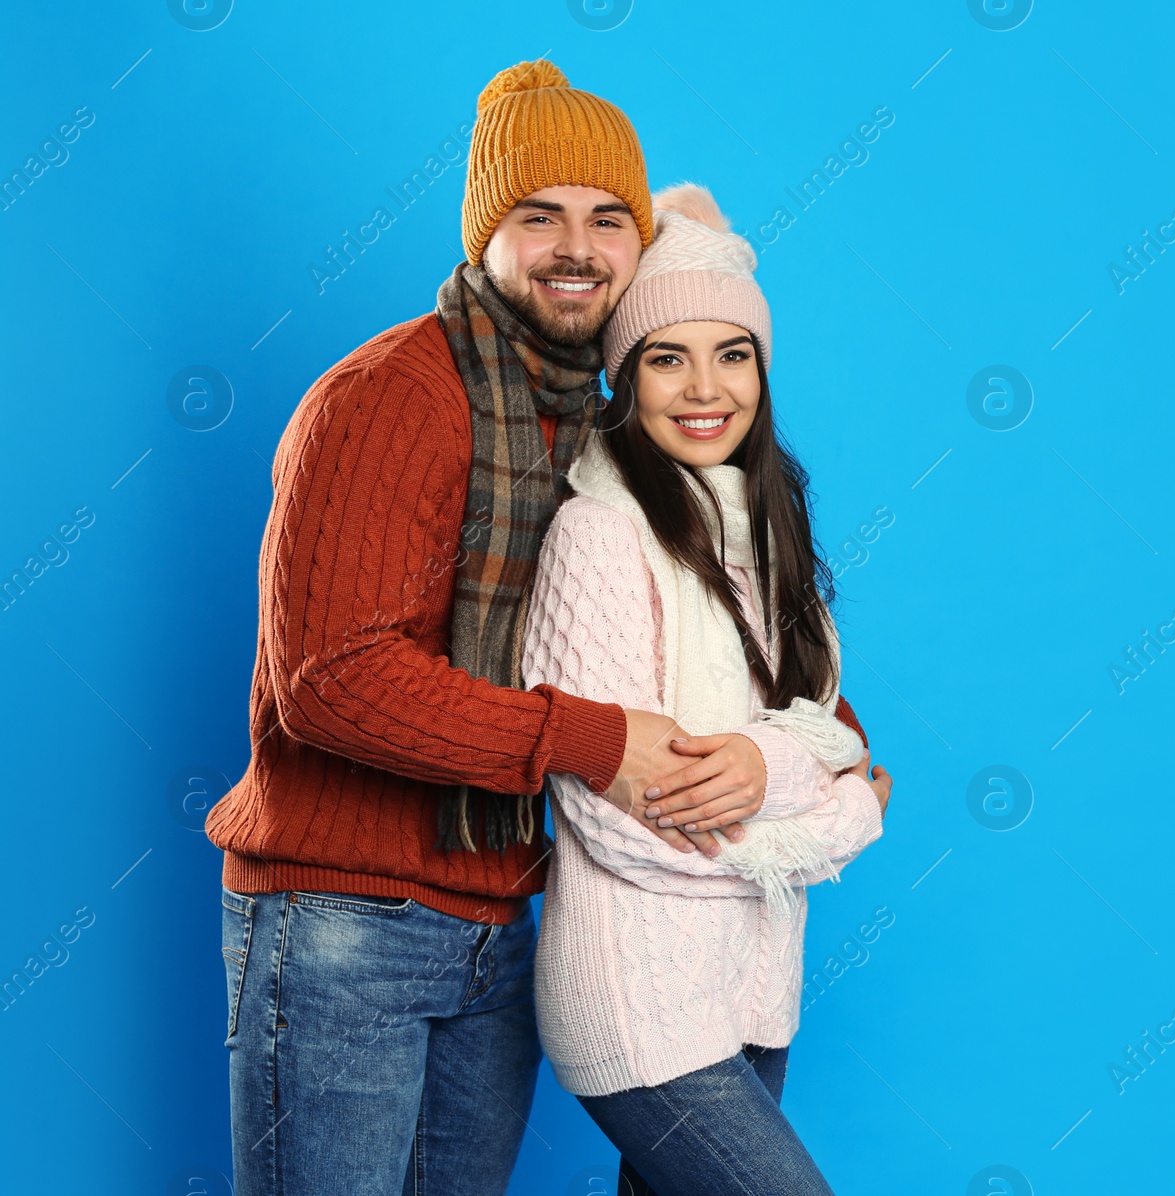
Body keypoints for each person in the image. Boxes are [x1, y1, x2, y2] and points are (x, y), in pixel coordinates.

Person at [203, 60, 876, 1195]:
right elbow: (333, 680)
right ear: (484, 235)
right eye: (540, 216)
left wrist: (828, 747)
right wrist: (602, 741)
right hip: (342, 923)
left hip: (500, 912)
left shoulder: (602, 420)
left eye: (610, 219)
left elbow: (717, 624)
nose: (578, 247)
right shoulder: (391, 396)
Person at [521, 183, 893, 1196]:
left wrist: (770, 763)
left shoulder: (765, 525)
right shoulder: (598, 533)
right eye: (665, 356)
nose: (704, 388)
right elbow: (618, 816)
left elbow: (821, 726)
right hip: (639, 1001)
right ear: (624, 377)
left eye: (732, 353)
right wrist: (846, 815)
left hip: (753, 985)